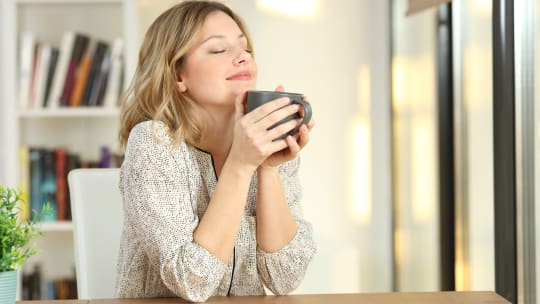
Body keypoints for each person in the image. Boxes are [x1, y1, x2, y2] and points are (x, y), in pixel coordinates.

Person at [115, 1, 316, 302]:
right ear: (177, 76)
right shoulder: (153, 143)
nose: (242, 58)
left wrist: (267, 167)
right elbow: (192, 282)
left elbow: (285, 277)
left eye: (246, 49)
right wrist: (240, 165)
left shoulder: (264, 143)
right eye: (219, 50)